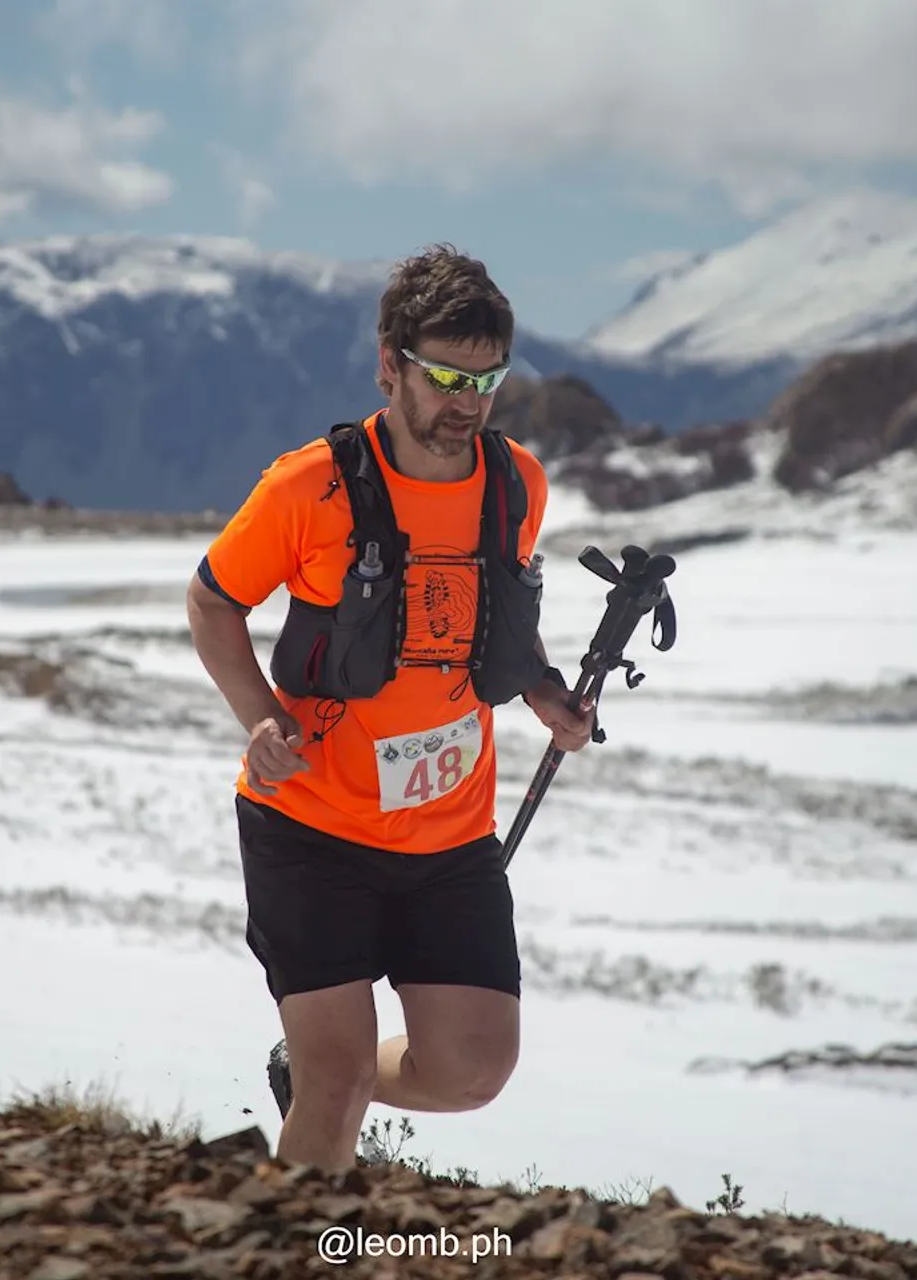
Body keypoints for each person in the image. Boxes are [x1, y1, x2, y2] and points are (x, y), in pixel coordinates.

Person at [186, 245, 594, 1171]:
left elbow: (495, 629)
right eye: (446, 375)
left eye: (487, 380)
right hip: (313, 829)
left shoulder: (516, 483)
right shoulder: (310, 485)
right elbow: (212, 600)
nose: (467, 401)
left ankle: (319, 1069)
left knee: (472, 1070)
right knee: (335, 1095)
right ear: (389, 363)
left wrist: (546, 695)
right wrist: (260, 717)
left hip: (449, 837)